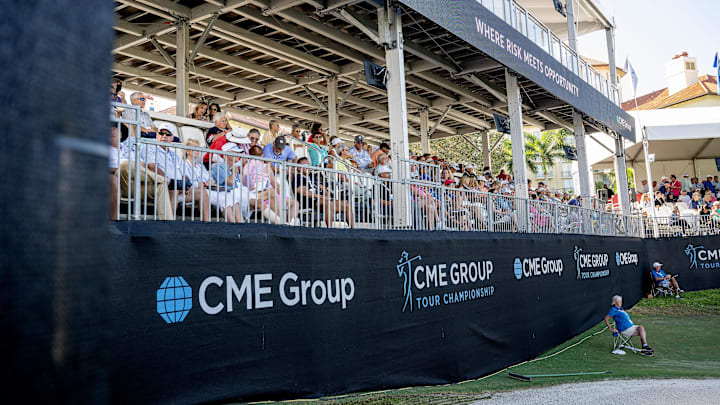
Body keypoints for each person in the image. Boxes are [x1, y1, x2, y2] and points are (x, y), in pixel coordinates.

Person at [293, 157, 354, 228]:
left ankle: (353, 229)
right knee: (328, 203)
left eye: (309, 165)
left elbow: (325, 192)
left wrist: (324, 190)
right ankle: (330, 229)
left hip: (322, 201)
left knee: (347, 204)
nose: (308, 167)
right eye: (306, 166)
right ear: (299, 168)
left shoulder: (312, 177)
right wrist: (322, 197)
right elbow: (304, 192)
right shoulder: (298, 178)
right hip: (308, 202)